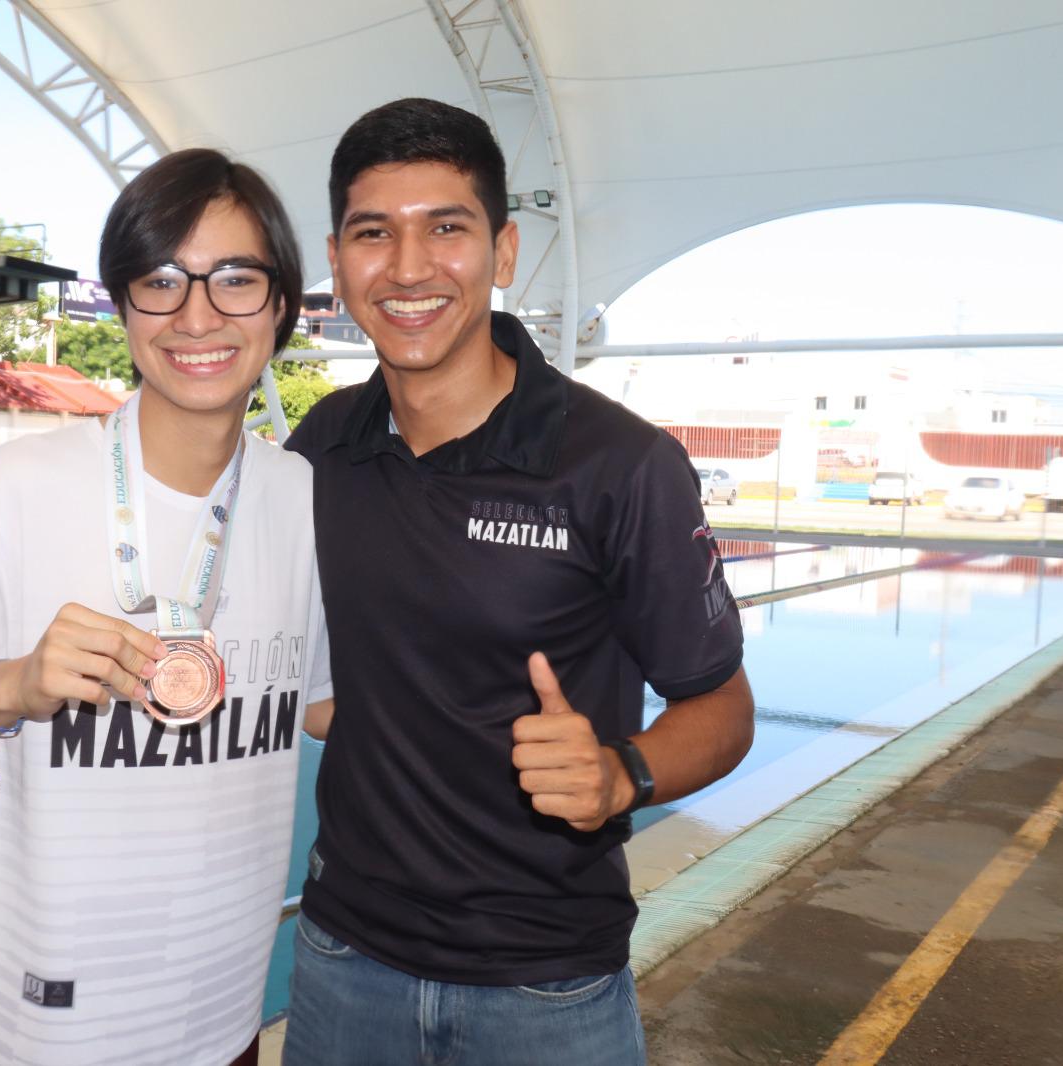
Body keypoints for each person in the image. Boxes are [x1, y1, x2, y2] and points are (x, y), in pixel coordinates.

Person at [281, 98, 755, 1065]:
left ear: (501, 252)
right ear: (338, 259)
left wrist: (624, 771)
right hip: (342, 961)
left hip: (545, 988)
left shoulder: (617, 465)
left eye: (445, 228)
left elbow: (723, 705)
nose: (409, 269)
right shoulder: (322, 447)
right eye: (375, 234)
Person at [0, 148, 332, 1066]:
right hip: (55, 1027)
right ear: (123, 307)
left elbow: (318, 701)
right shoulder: (18, 487)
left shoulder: (305, 496)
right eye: (162, 280)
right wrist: (9, 685)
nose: (198, 314)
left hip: (227, 1016)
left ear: (281, 304)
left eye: (236, 279)